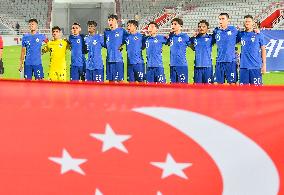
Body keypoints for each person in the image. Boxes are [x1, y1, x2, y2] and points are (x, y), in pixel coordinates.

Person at [239, 15, 266, 85]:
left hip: (255, 67)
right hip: (243, 67)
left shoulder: (259, 34)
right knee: (243, 92)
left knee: (257, 92)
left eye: (249, 21)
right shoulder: (240, 34)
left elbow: (263, 50)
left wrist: (264, 65)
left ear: (253, 23)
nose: (247, 23)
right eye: (245, 21)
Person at [213, 13, 239, 84]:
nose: (221, 21)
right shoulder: (216, 31)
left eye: (223, 19)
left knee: (232, 84)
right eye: (220, 19)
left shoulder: (234, 30)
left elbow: (241, 38)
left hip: (230, 62)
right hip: (219, 62)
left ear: (228, 20)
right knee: (218, 84)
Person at [104, 14, 127, 82]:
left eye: (112, 20)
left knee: (120, 80)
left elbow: (128, 39)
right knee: (111, 81)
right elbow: (105, 43)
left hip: (118, 60)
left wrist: (121, 45)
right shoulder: (106, 32)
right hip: (109, 60)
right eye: (109, 20)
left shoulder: (121, 31)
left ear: (116, 21)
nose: (110, 22)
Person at [190, 20, 215, 84]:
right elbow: (193, 48)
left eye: (204, 27)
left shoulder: (211, 38)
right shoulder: (194, 39)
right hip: (197, 67)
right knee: (197, 89)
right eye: (200, 27)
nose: (201, 28)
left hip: (208, 67)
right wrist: (192, 37)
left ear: (207, 28)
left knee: (209, 88)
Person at [167, 18, 191, 83]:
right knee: (173, 87)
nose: (173, 26)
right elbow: (168, 44)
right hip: (172, 65)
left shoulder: (185, 36)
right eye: (172, 24)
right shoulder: (171, 37)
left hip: (182, 65)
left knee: (183, 87)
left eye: (175, 24)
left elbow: (192, 46)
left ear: (181, 26)